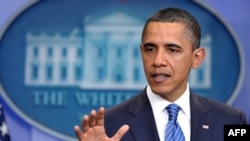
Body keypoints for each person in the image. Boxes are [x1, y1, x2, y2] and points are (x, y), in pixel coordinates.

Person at [74, 7, 248, 141]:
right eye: (150, 49)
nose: (158, 60)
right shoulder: (109, 125)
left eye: (172, 50)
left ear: (196, 58)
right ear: (141, 52)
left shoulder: (232, 121)